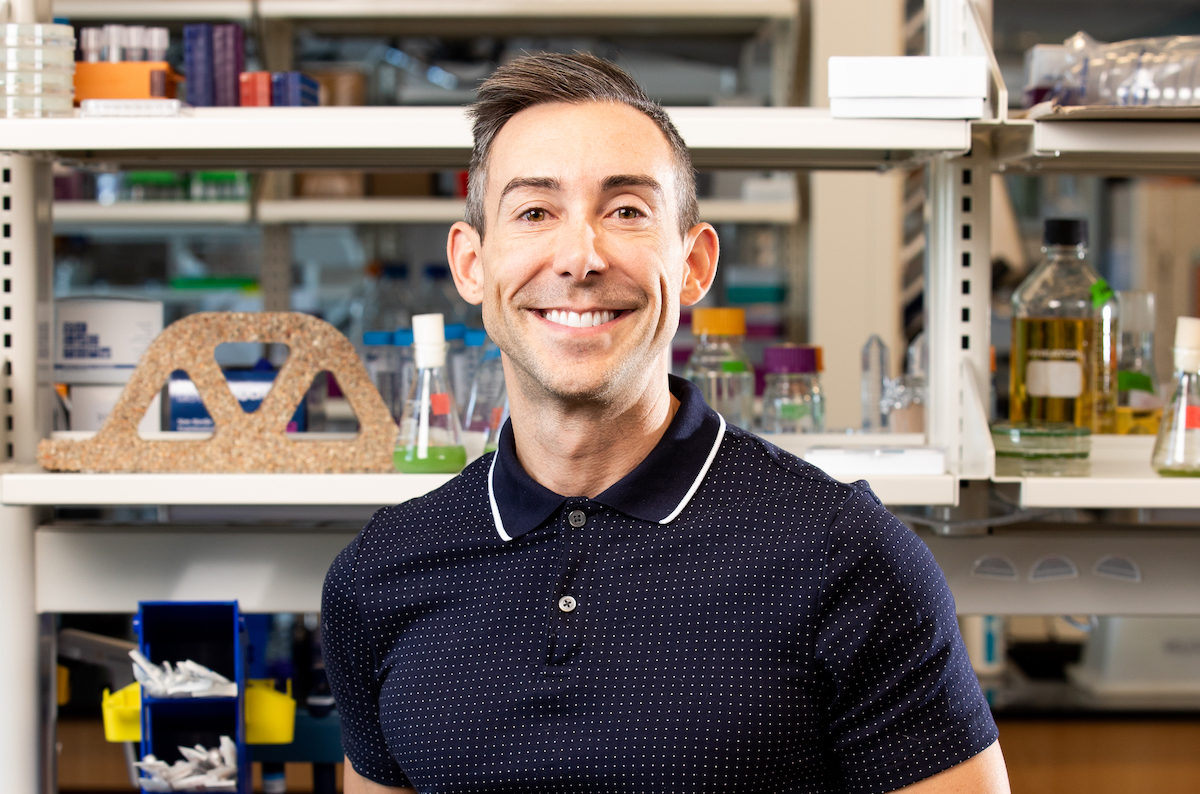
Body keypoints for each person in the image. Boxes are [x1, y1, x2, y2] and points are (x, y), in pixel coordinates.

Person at [323, 52, 1009, 793]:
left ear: (694, 263)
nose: (580, 257)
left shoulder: (845, 557)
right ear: (471, 265)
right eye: (533, 212)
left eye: (626, 211)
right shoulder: (379, 574)